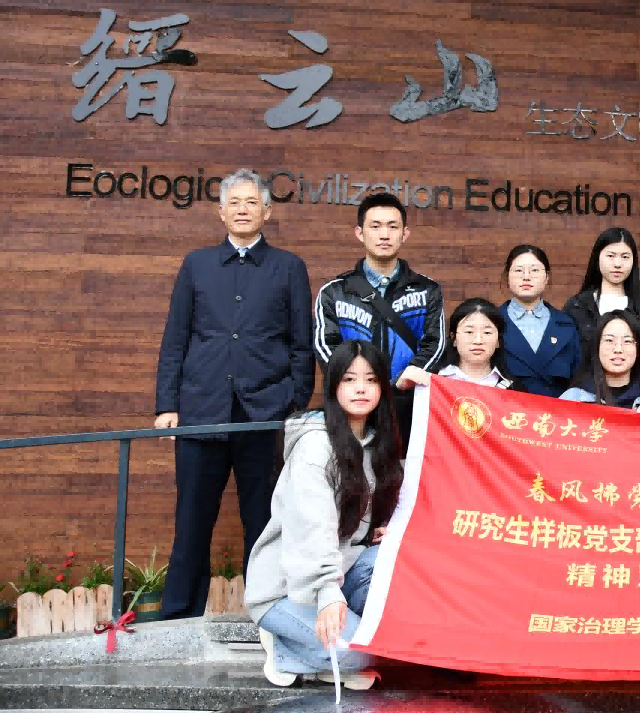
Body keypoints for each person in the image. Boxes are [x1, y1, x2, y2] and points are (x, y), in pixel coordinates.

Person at [155, 168, 315, 620]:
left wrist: (295, 402)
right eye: (235, 202)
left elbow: (301, 343)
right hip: (201, 410)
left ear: (267, 211)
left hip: (265, 413)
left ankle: (265, 616)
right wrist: (167, 405)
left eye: (252, 202)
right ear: (221, 212)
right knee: (192, 519)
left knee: (262, 520)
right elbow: (176, 339)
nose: (243, 210)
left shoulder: (289, 267)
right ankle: (178, 616)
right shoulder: (197, 264)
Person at [245, 340, 403, 690]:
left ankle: (320, 652)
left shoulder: (377, 444)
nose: (361, 388)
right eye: (349, 379)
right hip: (286, 588)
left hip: (343, 569)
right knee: (367, 651)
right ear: (333, 386)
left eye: (371, 380)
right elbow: (312, 528)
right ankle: (285, 648)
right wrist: (328, 593)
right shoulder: (315, 446)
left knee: (400, 621)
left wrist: (386, 530)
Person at [313, 192, 445, 448]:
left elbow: (435, 343)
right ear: (360, 233)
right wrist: (358, 383)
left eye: (392, 226)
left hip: (408, 407)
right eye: (375, 226)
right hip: (353, 407)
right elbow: (325, 346)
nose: (384, 235)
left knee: (403, 470)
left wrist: (409, 376)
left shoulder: (427, 290)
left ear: (405, 234)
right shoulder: (335, 291)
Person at [563, 227, 640, 398]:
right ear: (597, 257)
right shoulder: (577, 307)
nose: (617, 264)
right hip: (585, 402)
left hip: (633, 404)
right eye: (611, 256)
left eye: (625, 257)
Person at [497, 244, 580, 397]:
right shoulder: (492, 323)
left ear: (547, 277)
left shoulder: (565, 325)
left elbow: (579, 378)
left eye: (534, 270)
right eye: (519, 270)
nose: (526, 276)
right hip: (507, 409)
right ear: (507, 276)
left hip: (556, 410)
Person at [560, 311, 640, 413]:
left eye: (627, 341)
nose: (618, 349)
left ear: (638, 349)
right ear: (597, 346)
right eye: (609, 340)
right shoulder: (573, 398)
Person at [435, 298, 512, 388]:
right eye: (469, 332)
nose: (478, 341)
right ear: (454, 338)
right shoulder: (431, 382)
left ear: (498, 341)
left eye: (487, 332)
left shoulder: (513, 389)